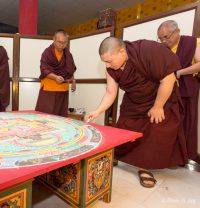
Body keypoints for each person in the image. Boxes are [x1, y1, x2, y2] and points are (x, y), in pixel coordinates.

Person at [85, 37, 188, 188]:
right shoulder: (111, 68)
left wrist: (158, 106)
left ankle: (144, 167)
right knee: (125, 126)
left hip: (159, 96)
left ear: (122, 51)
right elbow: (110, 92)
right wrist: (98, 110)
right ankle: (118, 155)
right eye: (104, 62)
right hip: (134, 100)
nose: (107, 65)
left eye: (109, 61)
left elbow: (168, 79)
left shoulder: (146, 50)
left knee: (154, 131)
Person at [157, 20, 200, 162]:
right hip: (169, 91)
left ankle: (183, 158)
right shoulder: (162, 49)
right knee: (169, 123)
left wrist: (180, 72)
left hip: (187, 90)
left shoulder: (192, 42)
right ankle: (169, 156)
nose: (163, 41)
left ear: (177, 31)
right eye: (160, 38)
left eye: (166, 37)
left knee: (187, 123)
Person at [35, 29, 76, 117]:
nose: (62, 45)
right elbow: (44, 69)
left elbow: (70, 69)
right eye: (59, 42)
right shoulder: (47, 53)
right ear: (54, 39)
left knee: (61, 116)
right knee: (45, 116)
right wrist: (56, 77)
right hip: (49, 88)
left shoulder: (68, 54)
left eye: (65, 43)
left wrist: (73, 81)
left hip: (63, 88)